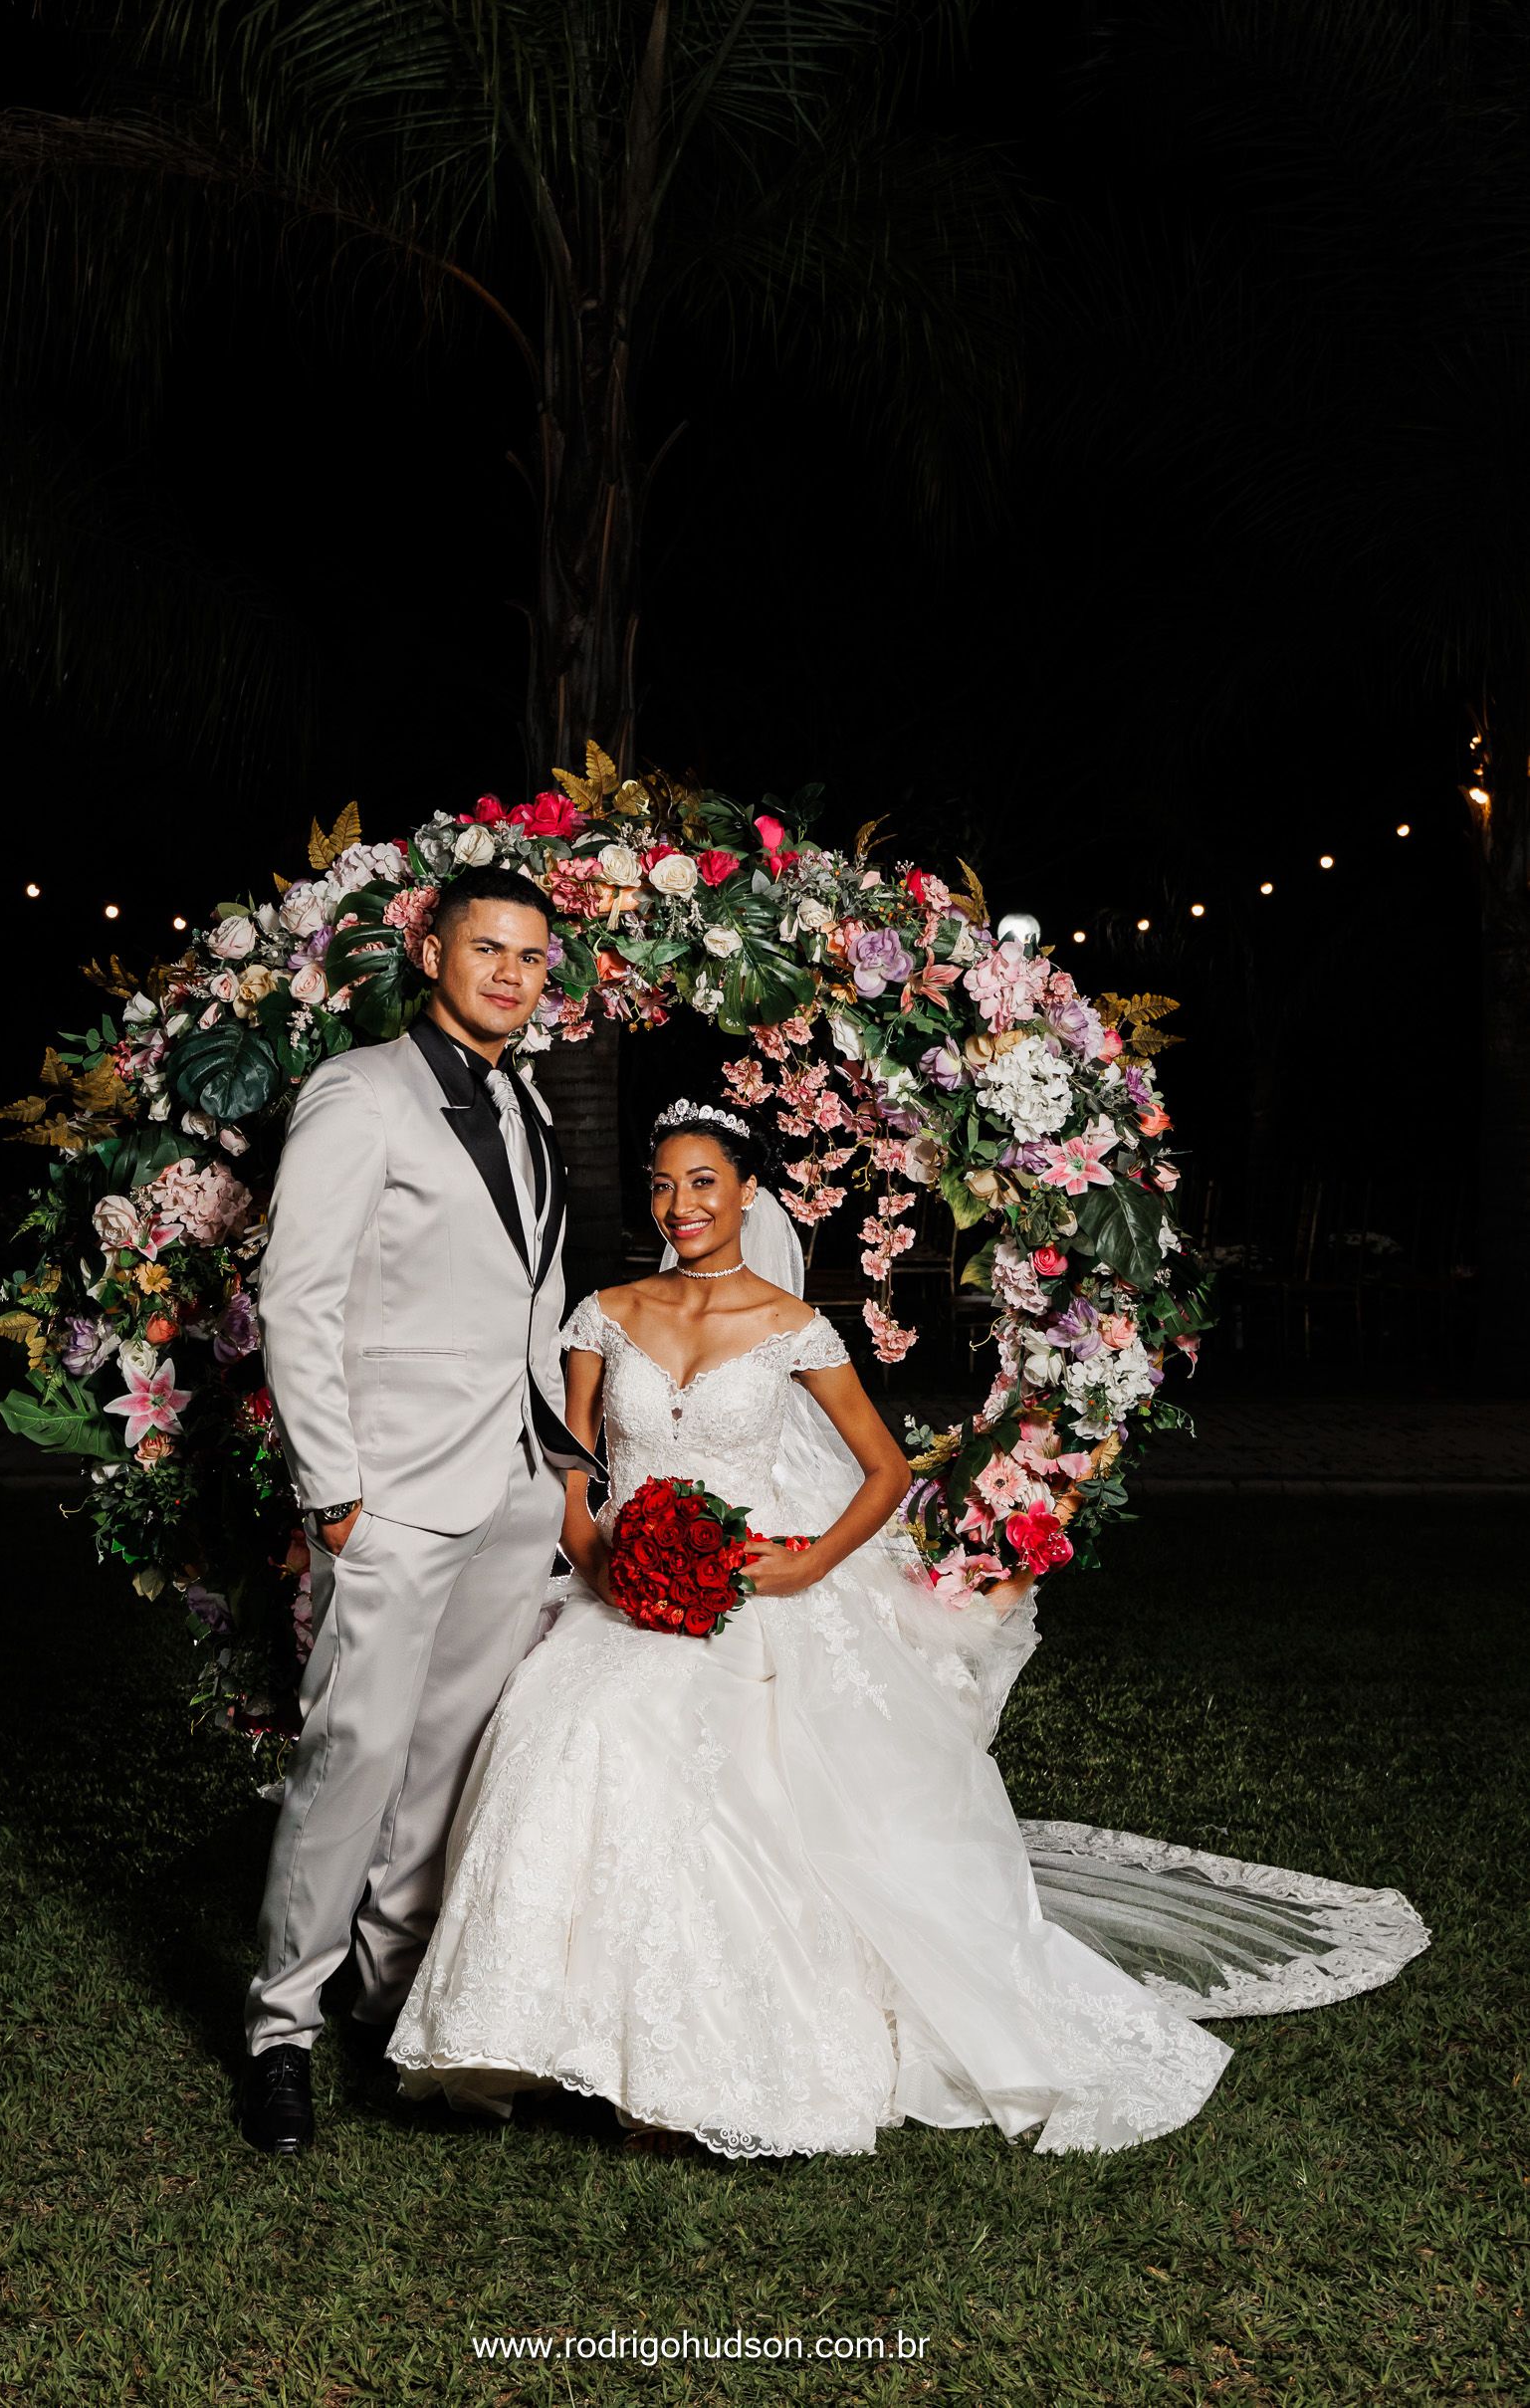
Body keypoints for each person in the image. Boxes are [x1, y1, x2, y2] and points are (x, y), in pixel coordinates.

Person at [385, 1099, 1428, 2158]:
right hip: (625, 1587)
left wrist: (802, 1564)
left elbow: (883, 1473)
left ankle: (700, 2058)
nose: (680, 1203)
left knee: (703, 1752)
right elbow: (570, 1465)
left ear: (747, 1193)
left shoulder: (792, 1328)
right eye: (661, 1183)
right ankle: (527, 2028)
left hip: (754, 1595)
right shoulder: (602, 1313)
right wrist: (596, 1548)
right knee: (560, 1721)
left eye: (702, 1181)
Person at [239, 868, 600, 2154]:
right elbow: (298, 1298)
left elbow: (533, 1297)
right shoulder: (358, 1091)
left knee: (445, 1761)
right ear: (430, 949)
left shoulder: (523, 1102)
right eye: (485, 946)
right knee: (354, 1755)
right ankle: (279, 2027)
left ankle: (387, 1989)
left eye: (529, 954)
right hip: (388, 1493)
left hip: (506, 1489)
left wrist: (557, 1465)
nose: (509, 971)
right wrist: (333, 1493)